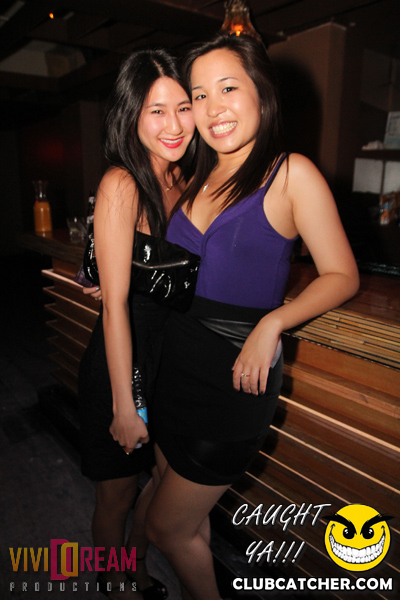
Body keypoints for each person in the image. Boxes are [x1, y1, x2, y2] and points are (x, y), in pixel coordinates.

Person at [145, 34, 360, 600]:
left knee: (166, 528)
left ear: (261, 93)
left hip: (233, 381)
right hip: (172, 367)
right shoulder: (194, 175)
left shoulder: (291, 174)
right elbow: (180, 272)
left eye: (228, 88)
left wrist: (274, 323)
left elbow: (342, 274)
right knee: (179, 513)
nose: (213, 107)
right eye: (199, 95)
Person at [78, 47, 195, 600]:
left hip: (172, 359)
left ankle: (138, 558)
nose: (174, 125)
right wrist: (126, 405)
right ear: (131, 115)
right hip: (123, 361)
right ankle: (116, 579)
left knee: (172, 479)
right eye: (156, 110)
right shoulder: (121, 183)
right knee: (118, 494)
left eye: (182, 107)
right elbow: (115, 306)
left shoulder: (189, 181)